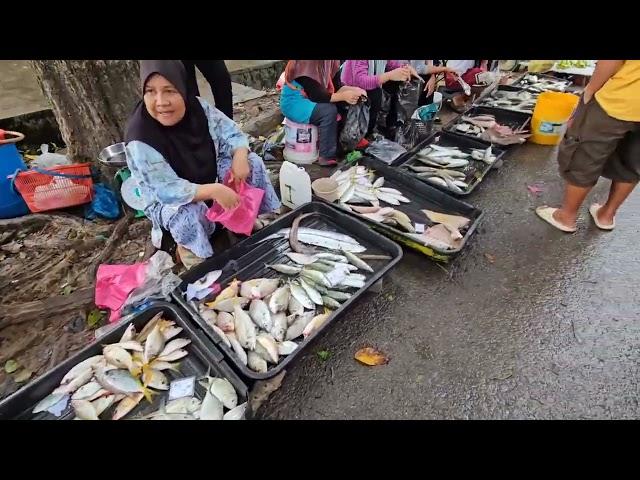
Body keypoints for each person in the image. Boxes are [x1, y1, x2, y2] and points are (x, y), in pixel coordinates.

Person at [125, 60, 281, 268]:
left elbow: (231, 131)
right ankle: (193, 255)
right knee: (188, 213)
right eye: (151, 91)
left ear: (183, 87)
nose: (161, 101)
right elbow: (166, 190)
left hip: (208, 179)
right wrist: (214, 189)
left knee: (251, 162)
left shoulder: (198, 107)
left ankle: (241, 220)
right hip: (169, 202)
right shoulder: (140, 137)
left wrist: (241, 154)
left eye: (170, 90)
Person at [536, 60, 640, 233]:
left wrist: (590, 90)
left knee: (585, 156)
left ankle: (566, 216)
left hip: (620, 100)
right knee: (632, 161)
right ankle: (606, 215)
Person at [279, 60, 366, 166]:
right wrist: (344, 96)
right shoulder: (306, 65)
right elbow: (318, 95)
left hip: (311, 97)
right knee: (328, 111)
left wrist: (354, 92)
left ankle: (345, 142)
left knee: (344, 103)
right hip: (294, 102)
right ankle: (326, 155)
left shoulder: (329, 63)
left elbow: (336, 87)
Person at [340, 60, 419, 138]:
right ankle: (361, 135)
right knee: (376, 93)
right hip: (350, 94)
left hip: (367, 93)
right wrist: (389, 76)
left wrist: (406, 68)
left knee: (389, 86)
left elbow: (392, 64)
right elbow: (361, 81)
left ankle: (389, 126)